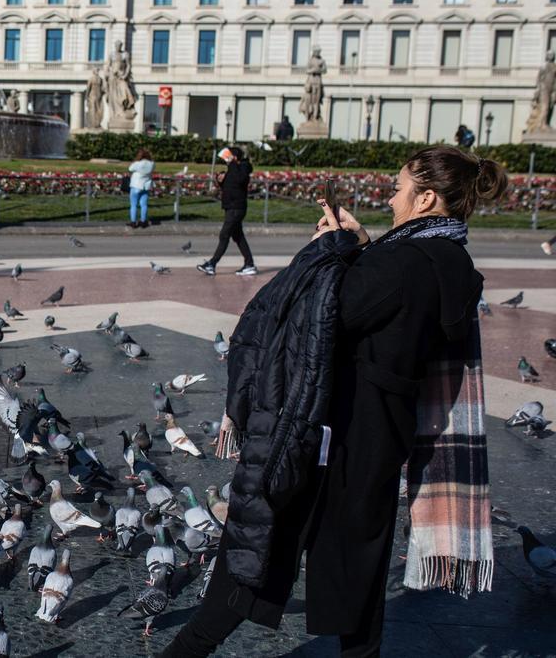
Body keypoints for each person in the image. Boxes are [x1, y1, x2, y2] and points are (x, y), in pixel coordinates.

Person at [164, 145, 503, 657]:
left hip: (333, 434)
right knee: (357, 570)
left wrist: (333, 249)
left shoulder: (407, 261)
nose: (390, 200)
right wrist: (363, 245)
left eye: (397, 189)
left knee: (260, 543)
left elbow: (331, 314)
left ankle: (187, 649)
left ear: (427, 196)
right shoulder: (449, 256)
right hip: (379, 438)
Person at [198, 146, 256, 276]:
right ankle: (249, 264)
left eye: (228, 158)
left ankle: (212, 264)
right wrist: (220, 181)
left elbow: (240, 180)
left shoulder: (243, 167)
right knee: (238, 236)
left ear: (234, 157)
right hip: (231, 206)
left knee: (224, 235)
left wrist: (233, 164)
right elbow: (231, 186)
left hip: (236, 207)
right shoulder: (234, 168)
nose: (226, 161)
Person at [127, 148, 154, 229]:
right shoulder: (152, 164)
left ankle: (133, 222)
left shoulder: (138, 163)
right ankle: (143, 221)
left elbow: (130, 168)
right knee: (144, 205)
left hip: (136, 185)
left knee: (133, 205)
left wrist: (135, 161)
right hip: (146, 186)